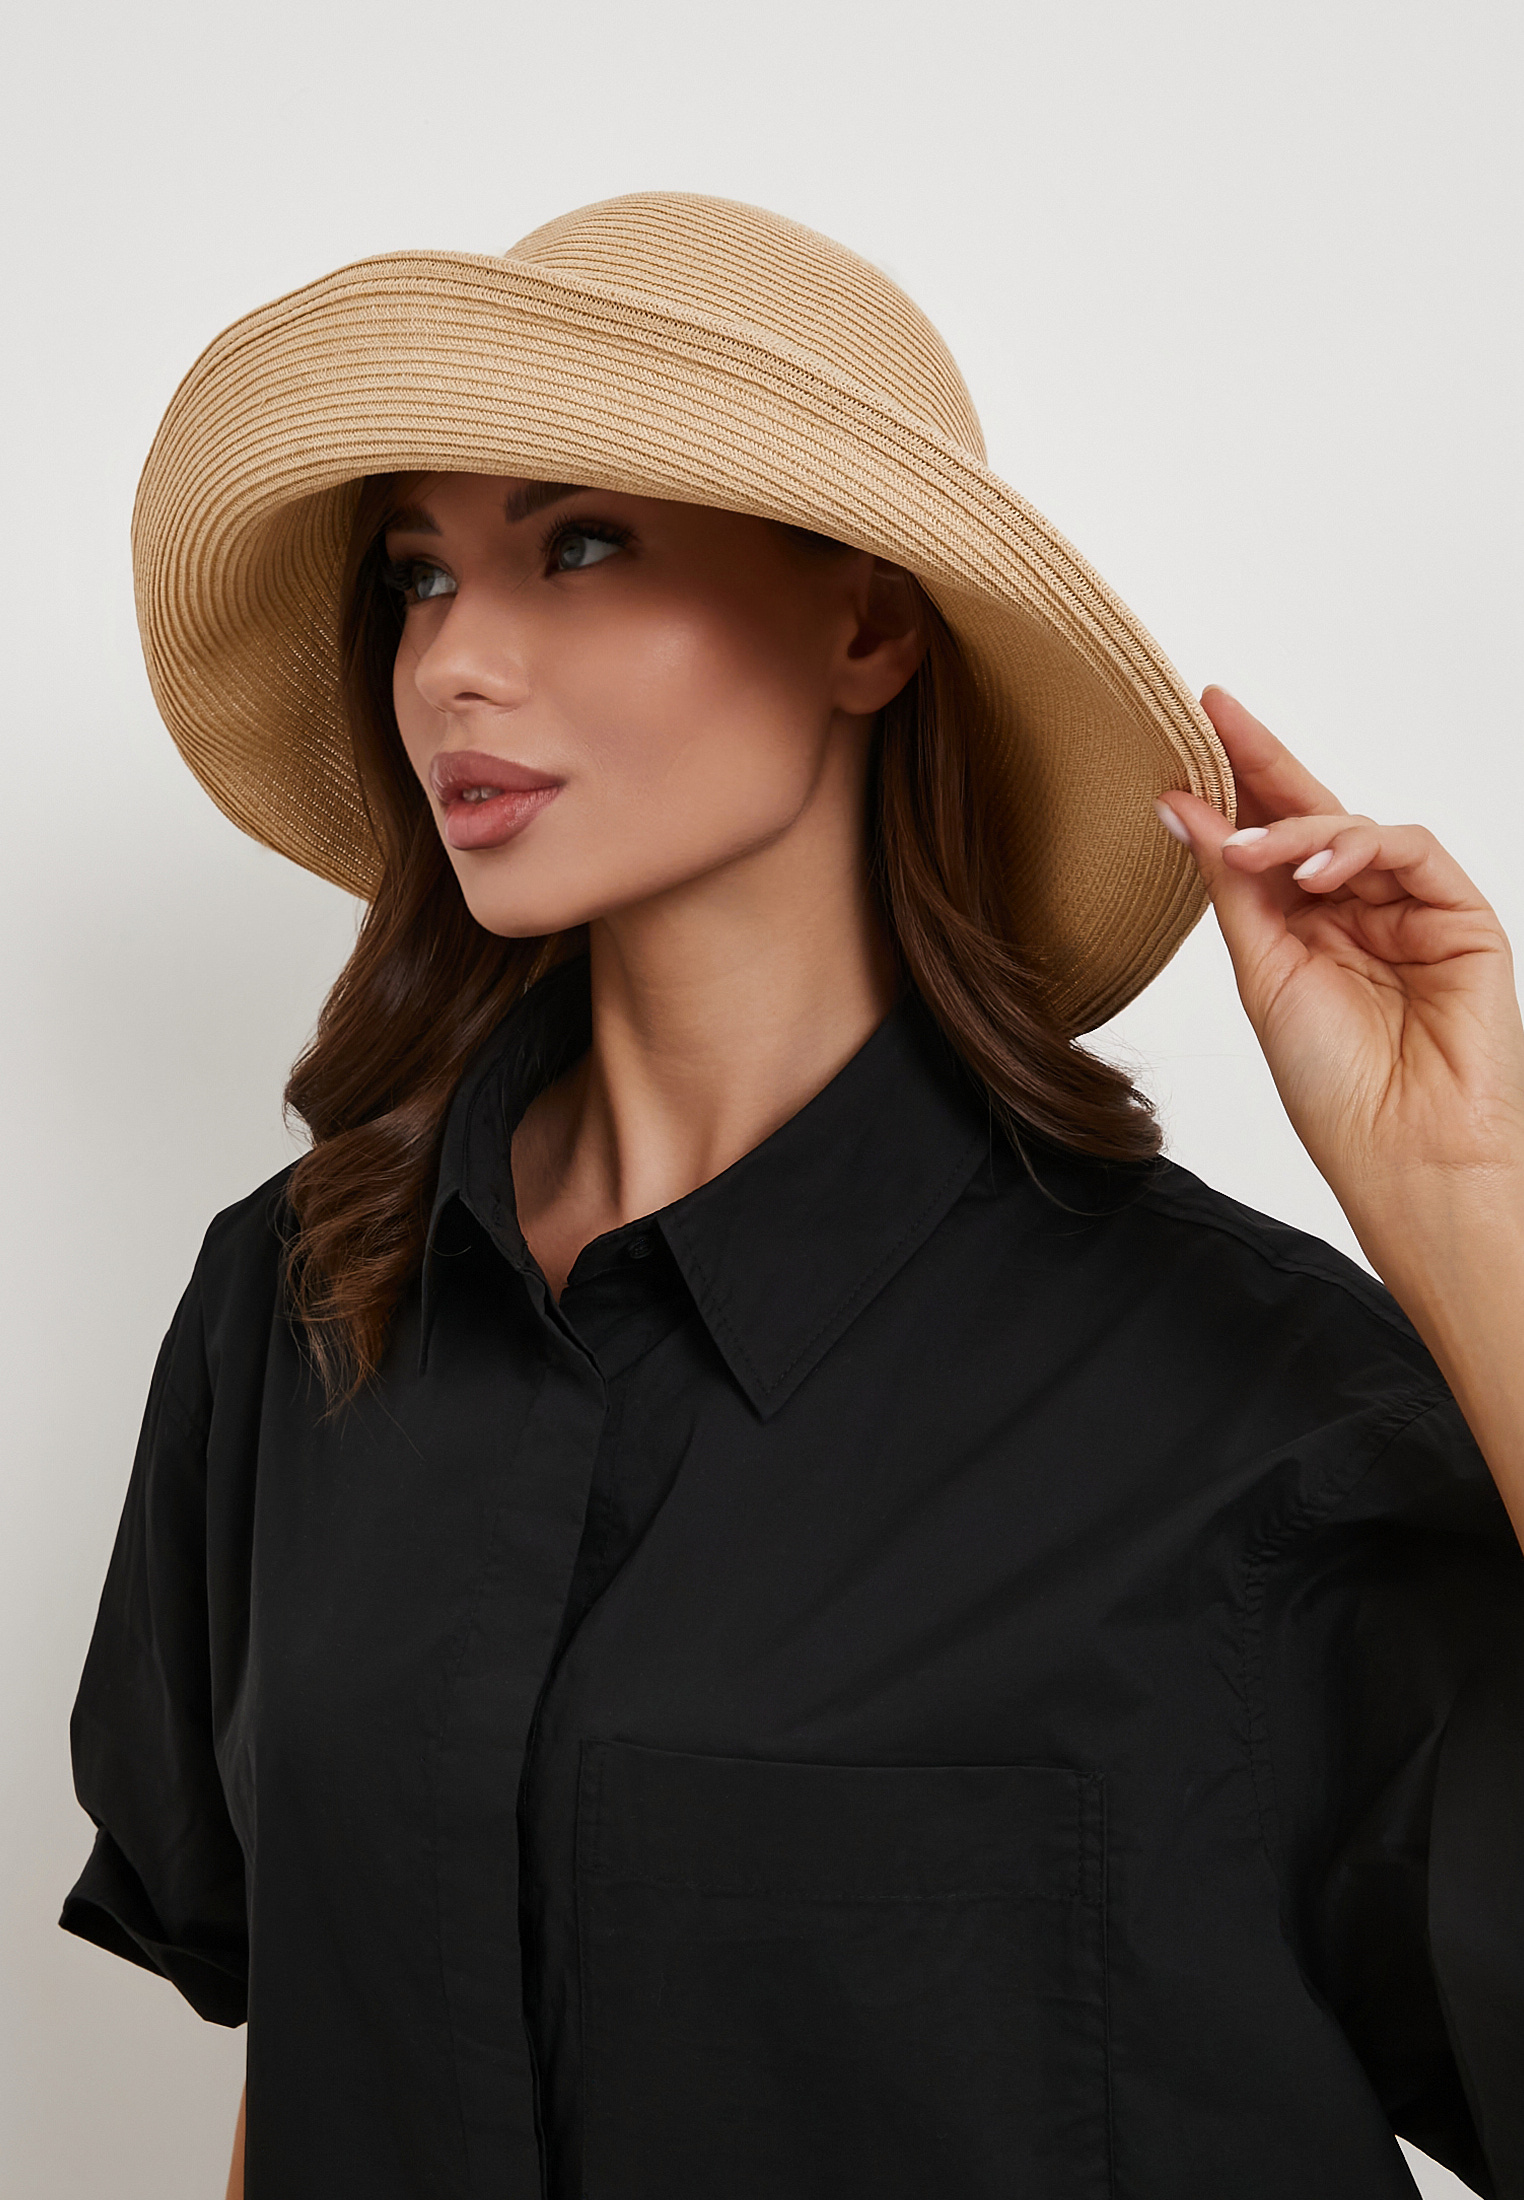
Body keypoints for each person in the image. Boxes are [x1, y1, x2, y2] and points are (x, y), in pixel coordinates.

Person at [62, 193, 1523, 2200]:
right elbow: (307, 2046)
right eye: (419, 574)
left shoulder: (1247, 1396)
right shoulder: (302, 1305)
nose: (453, 659)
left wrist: (1469, 1202)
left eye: (581, 544)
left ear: (867, 625)